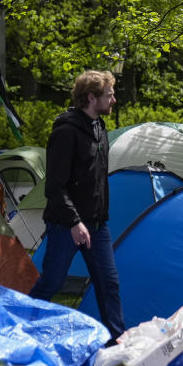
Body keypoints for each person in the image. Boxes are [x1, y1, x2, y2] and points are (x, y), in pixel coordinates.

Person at [29, 70, 125, 339]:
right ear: (91, 97)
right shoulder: (66, 132)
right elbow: (54, 188)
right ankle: (22, 328)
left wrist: (93, 219)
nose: (113, 100)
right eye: (109, 95)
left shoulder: (100, 128)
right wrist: (74, 222)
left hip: (96, 225)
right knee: (52, 283)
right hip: (65, 225)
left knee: (109, 284)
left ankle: (117, 343)